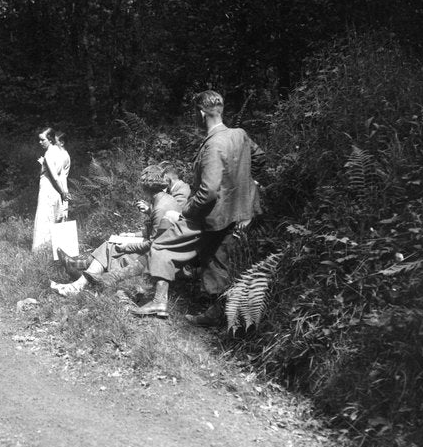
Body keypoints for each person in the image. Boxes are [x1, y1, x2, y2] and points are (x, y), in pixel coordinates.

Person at [133, 90, 266, 324]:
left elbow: (208, 193)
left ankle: (160, 301)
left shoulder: (213, 146)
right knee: (216, 260)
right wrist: (245, 189)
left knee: (162, 242)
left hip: (213, 217)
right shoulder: (240, 135)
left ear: (201, 113)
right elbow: (260, 159)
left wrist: (183, 212)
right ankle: (218, 315)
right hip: (236, 214)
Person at [50, 164, 176, 297]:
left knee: (111, 247)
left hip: (157, 256)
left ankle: (78, 282)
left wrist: (128, 246)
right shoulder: (165, 200)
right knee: (111, 245)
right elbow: (154, 234)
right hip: (163, 250)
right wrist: (131, 235)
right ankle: (79, 274)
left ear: (146, 187)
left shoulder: (160, 208)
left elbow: (153, 244)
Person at [31, 127, 70, 252]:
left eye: (43, 140)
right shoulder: (59, 152)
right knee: (54, 217)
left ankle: (40, 250)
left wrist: (63, 192)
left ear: (50, 140)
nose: (40, 142)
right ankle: (56, 250)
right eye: (40, 140)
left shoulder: (49, 153)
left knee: (44, 218)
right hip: (56, 190)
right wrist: (63, 191)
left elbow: (54, 177)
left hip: (49, 189)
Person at [54, 130, 71, 220]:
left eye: (55, 142)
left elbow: (56, 172)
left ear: (62, 143)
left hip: (61, 187)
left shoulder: (63, 156)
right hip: (59, 186)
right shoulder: (60, 155)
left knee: (61, 216)